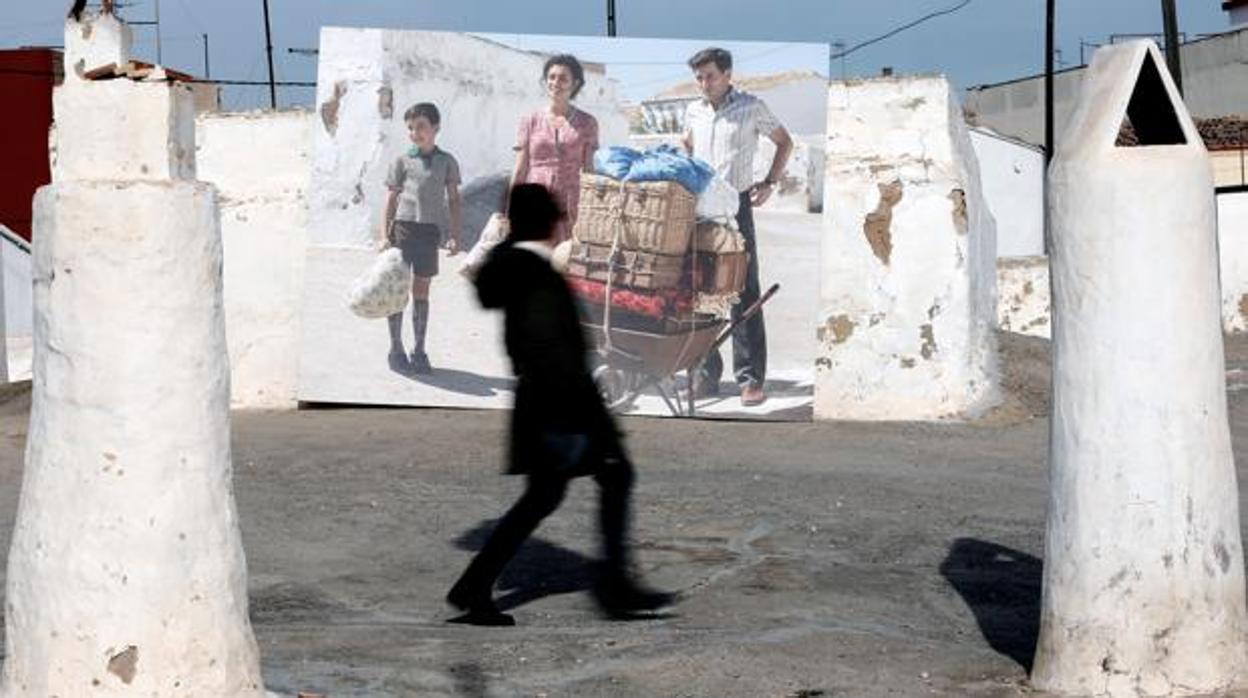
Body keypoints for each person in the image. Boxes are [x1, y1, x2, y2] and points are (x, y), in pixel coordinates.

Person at [446, 184, 674, 626]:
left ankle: (475, 585)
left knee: (547, 496)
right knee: (610, 476)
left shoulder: (514, 267)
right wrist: (588, 416)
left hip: (542, 401)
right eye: (555, 214)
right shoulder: (536, 275)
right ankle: (614, 589)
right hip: (562, 403)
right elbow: (556, 352)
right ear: (545, 221)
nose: (560, 221)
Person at [681, 47, 793, 407]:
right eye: (699, 77)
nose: (704, 83)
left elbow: (784, 142)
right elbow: (688, 144)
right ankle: (704, 375)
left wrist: (770, 182)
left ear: (728, 74)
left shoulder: (751, 106)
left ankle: (749, 380)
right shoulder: (693, 110)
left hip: (736, 208)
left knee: (742, 291)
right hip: (699, 210)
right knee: (700, 292)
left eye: (710, 75)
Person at [379, 102, 463, 375]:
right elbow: (390, 199)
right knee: (398, 289)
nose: (415, 133)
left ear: (436, 128)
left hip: (429, 233)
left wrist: (455, 235)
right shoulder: (402, 161)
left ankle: (419, 350)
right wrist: (384, 234)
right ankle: (395, 349)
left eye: (421, 127)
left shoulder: (447, 161)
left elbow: (453, 200)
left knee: (422, 291)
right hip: (403, 230)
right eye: (411, 128)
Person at [511, 54, 599, 243]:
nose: (556, 82)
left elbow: (590, 171)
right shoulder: (530, 121)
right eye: (551, 77)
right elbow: (520, 169)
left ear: (574, 84)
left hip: (570, 204)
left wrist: (592, 210)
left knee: (566, 263)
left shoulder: (587, 123)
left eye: (563, 78)